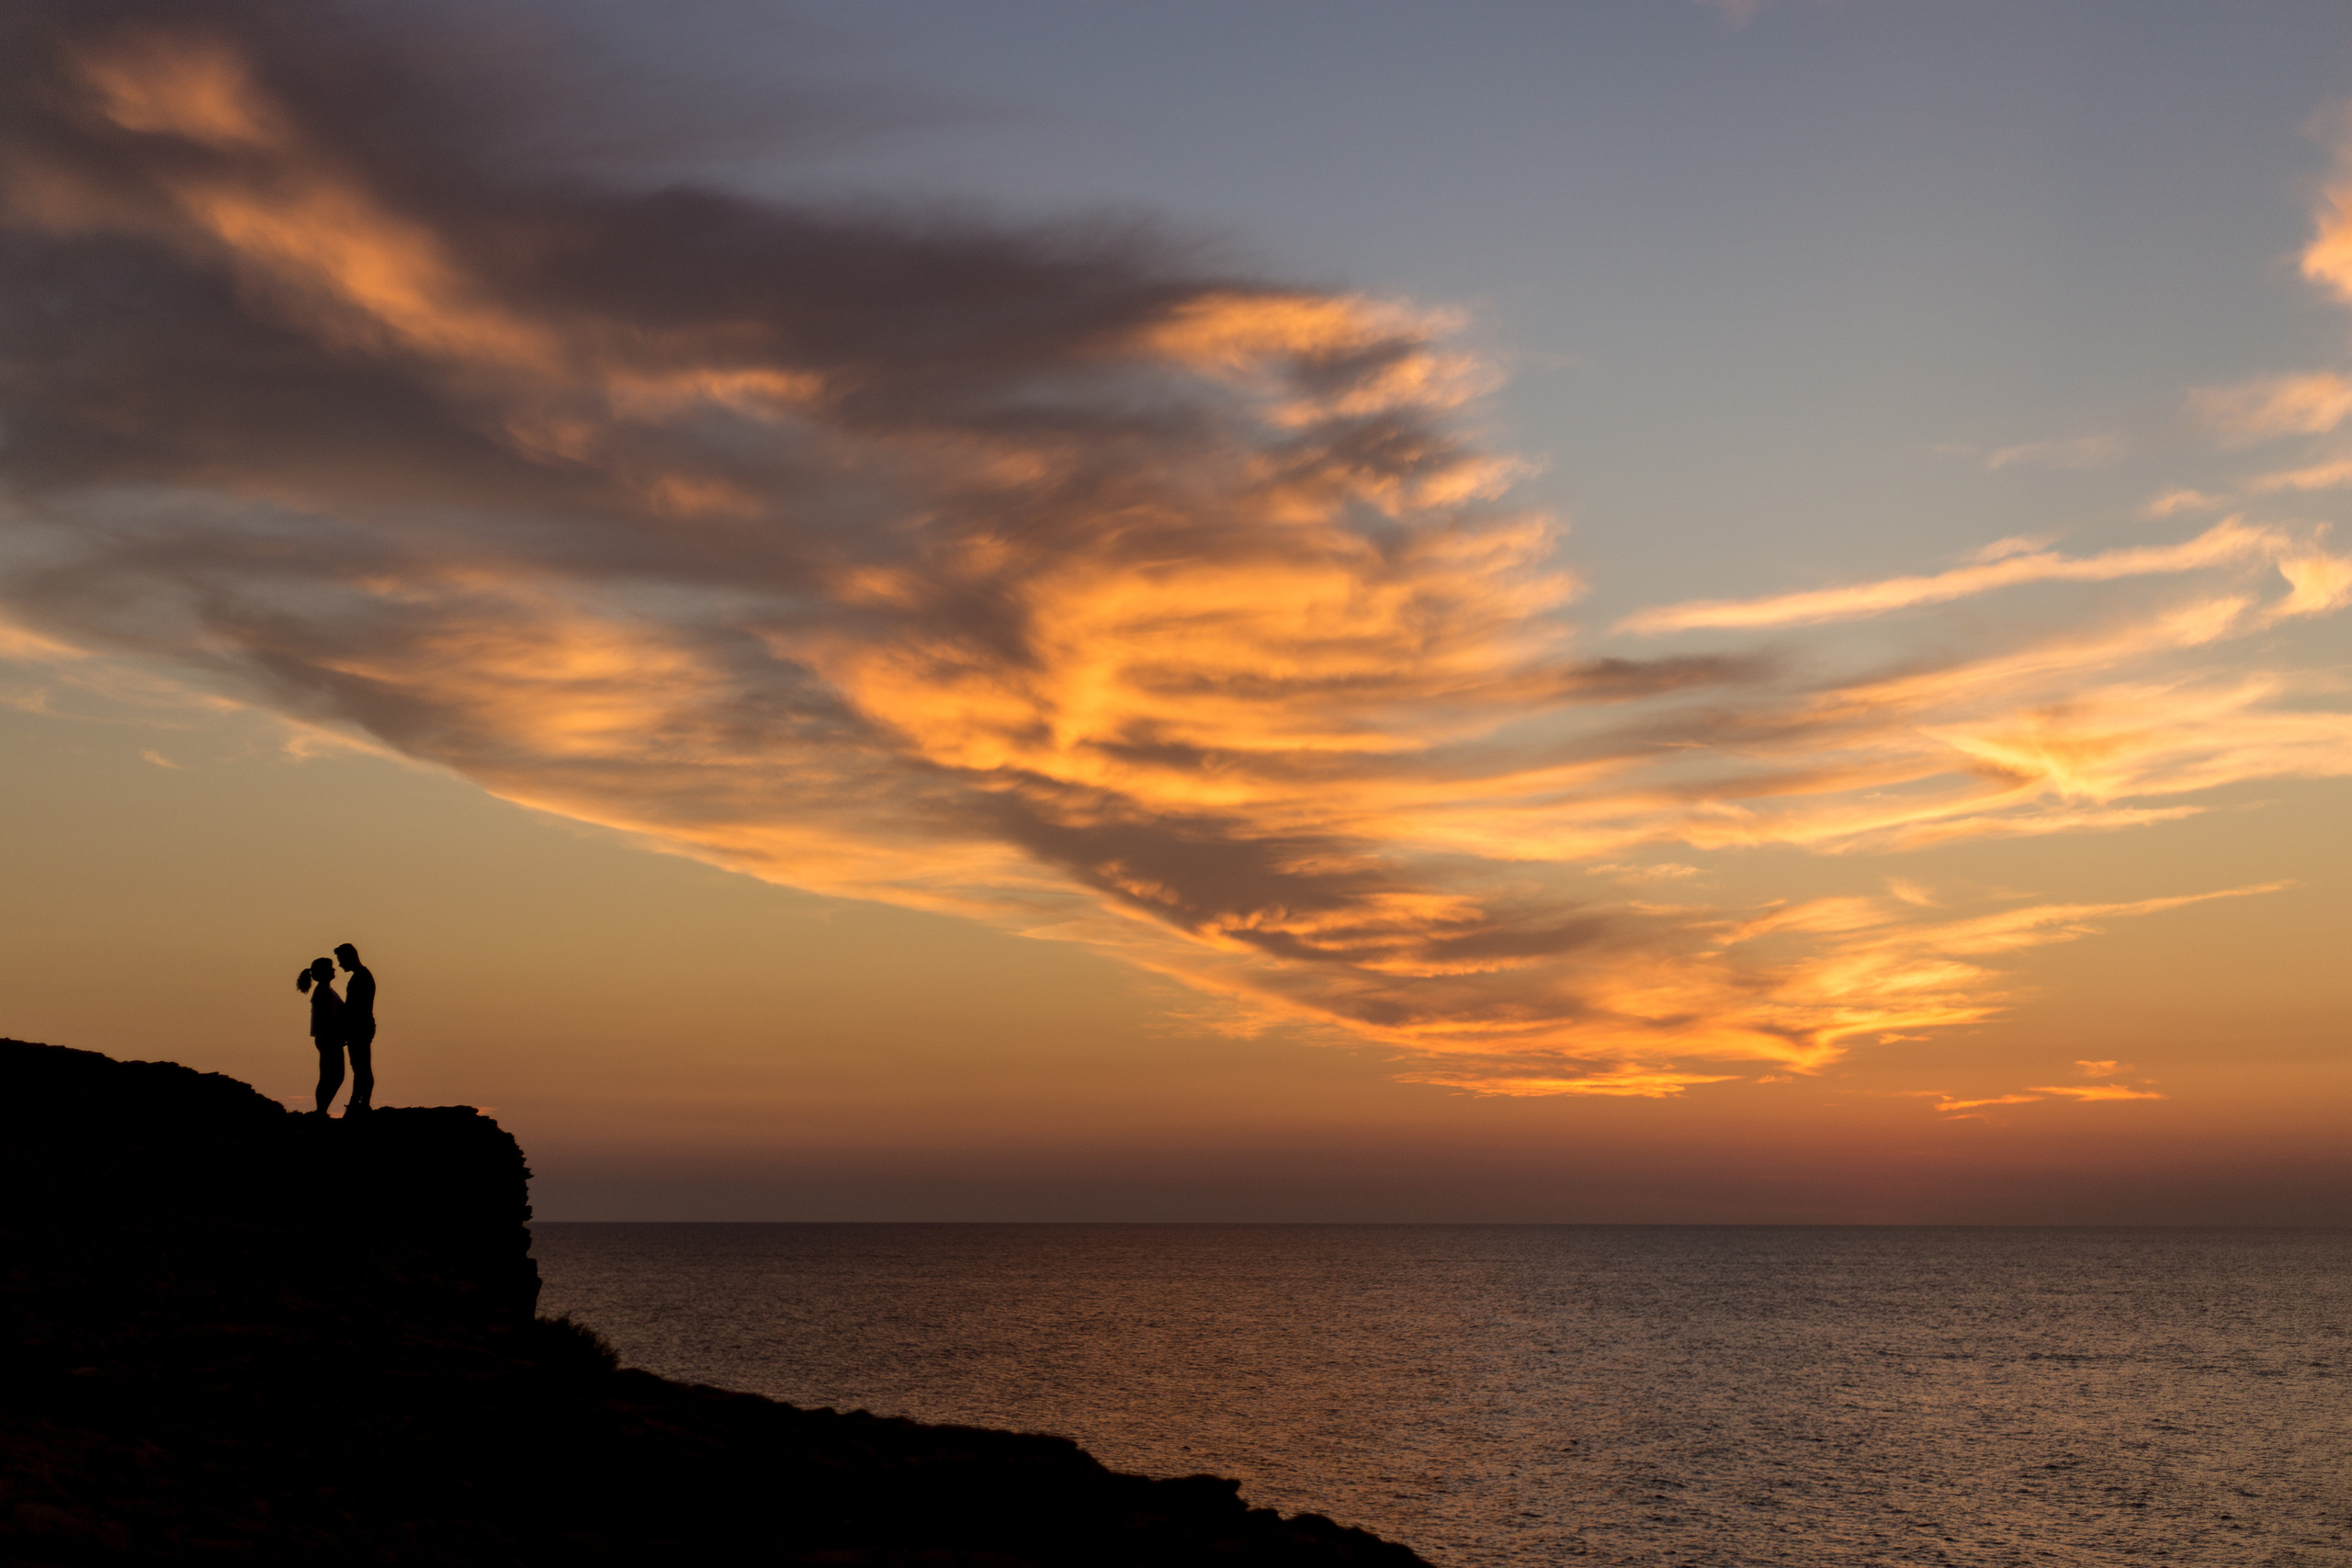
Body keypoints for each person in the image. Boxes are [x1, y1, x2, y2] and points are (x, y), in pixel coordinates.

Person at [297, 957, 345, 1115]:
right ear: (324, 972)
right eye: (330, 968)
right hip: (328, 1038)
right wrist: (337, 1034)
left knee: (331, 1076)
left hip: (328, 1037)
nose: (334, 970)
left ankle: (321, 1110)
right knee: (332, 1076)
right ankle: (321, 1110)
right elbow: (326, 1018)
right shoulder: (323, 991)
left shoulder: (325, 990)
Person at [335, 943, 376, 1114]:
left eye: (341, 960)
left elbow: (355, 1007)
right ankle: (360, 1102)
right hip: (360, 1026)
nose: (340, 965)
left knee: (361, 1067)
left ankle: (359, 1103)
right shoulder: (362, 976)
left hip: (359, 1027)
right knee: (361, 1066)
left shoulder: (362, 977)